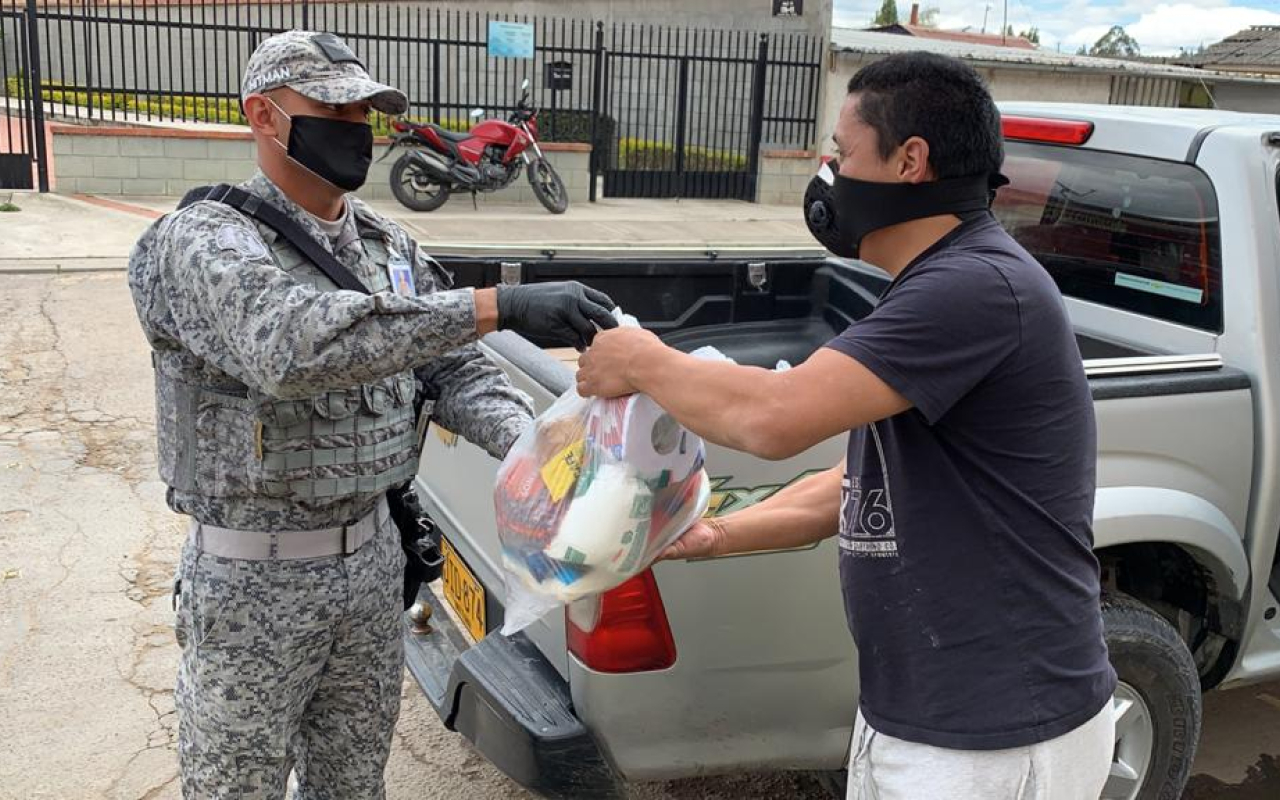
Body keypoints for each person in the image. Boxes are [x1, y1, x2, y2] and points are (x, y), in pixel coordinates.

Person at [576, 52, 1115, 800]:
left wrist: (640, 359)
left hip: (996, 733)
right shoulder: (934, 285)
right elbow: (858, 486)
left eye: (841, 153)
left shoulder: (975, 286)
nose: (828, 175)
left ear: (910, 162)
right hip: (923, 716)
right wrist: (715, 534)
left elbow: (772, 418)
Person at [127, 30, 615, 800]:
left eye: (366, 110)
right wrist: (496, 305)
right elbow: (293, 345)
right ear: (264, 115)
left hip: (372, 567)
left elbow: (451, 368)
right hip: (253, 577)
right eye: (334, 107)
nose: (357, 125)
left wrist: (539, 452)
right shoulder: (203, 241)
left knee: (353, 785)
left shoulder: (389, 246)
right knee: (234, 787)